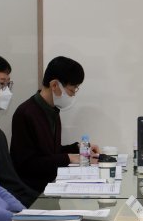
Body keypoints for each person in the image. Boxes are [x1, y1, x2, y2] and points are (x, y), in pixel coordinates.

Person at [10, 55, 96, 193]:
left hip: (52, 186)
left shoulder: (53, 110)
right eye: (72, 89)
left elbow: (50, 152)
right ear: (54, 85)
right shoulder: (25, 113)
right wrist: (68, 158)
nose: (73, 95)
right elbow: (26, 164)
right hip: (34, 192)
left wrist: (78, 148)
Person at [0, 53, 38, 207]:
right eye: (1, 84)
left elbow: (11, 181)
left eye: (7, 85)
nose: (6, 92)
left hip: (17, 201)